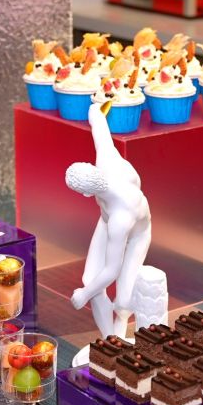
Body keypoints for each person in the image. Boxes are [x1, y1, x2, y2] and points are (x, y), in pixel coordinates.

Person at [66, 100, 152, 339]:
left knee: (123, 300)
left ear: (86, 193)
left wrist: (83, 295)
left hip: (137, 233)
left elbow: (112, 270)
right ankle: (110, 342)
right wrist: (96, 107)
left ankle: (121, 325)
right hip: (106, 221)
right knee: (91, 280)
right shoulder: (106, 159)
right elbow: (99, 126)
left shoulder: (120, 218)